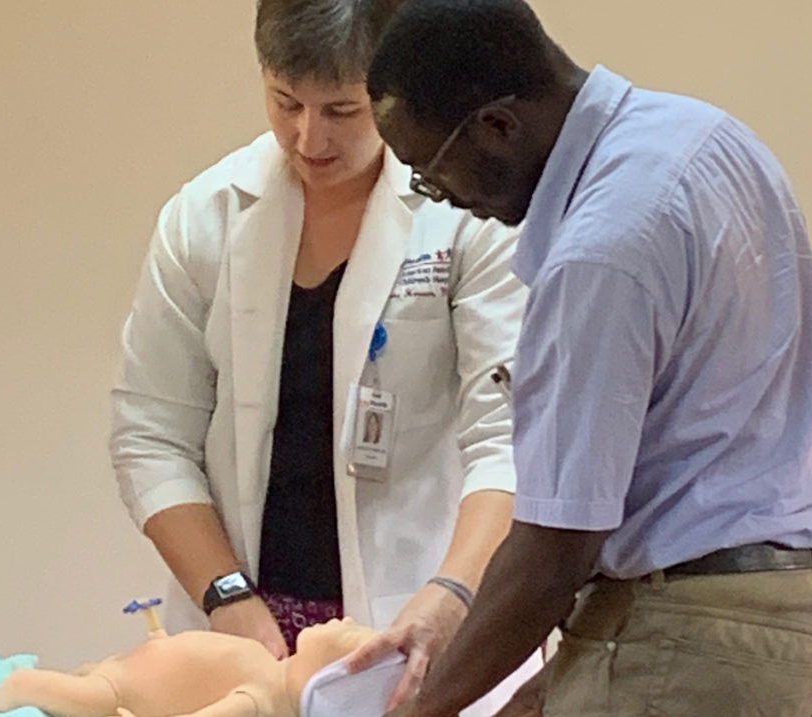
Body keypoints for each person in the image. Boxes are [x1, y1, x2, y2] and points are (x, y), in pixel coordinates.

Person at [359, 1, 812, 715]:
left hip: (682, 636)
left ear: (498, 125)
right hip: (781, 617)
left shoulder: (602, 250)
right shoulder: (707, 138)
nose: (443, 197)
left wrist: (426, 706)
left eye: (430, 171)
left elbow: (555, 543)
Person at [110, 0, 539, 713]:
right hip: (245, 618)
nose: (309, 138)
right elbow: (151, 432)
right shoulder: (207, 216)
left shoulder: (466, 217)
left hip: (417, 614)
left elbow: (511, 441)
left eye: (343, 110)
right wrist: (225, 593)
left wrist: (453, 592)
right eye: (286, 102)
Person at [0, 617, 380, 717]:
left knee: (92, 697)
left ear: (330, 682)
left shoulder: (256, 701)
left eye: (348, 635)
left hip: (127, 689)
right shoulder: (267, 666)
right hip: (140, 666)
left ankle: (18, 686)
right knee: (93, 684)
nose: (343, 621)